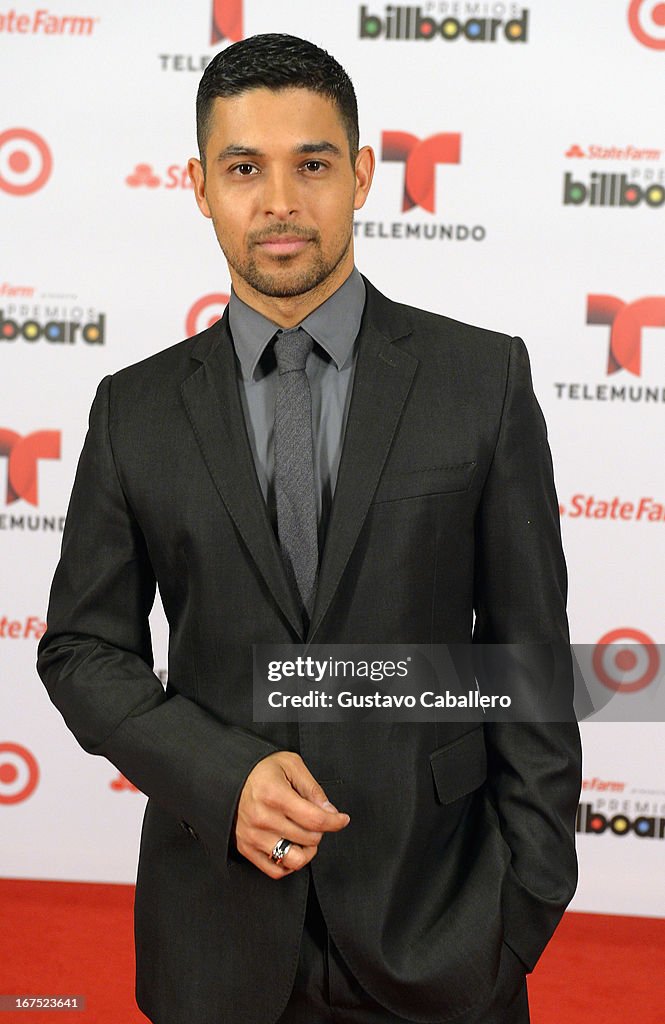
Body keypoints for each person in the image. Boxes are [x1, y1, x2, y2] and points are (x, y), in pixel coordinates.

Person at [37, 33, 581, 1024]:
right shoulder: (135, 408)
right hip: (214, 941)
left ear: (362, 175)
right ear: (200, 186)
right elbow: (81, 648)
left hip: (440, 930)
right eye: (245, 168)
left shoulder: (479, 381)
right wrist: (218, 771)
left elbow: (526, 657)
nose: (280, 200)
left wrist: (521, 906)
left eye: (313, 164)